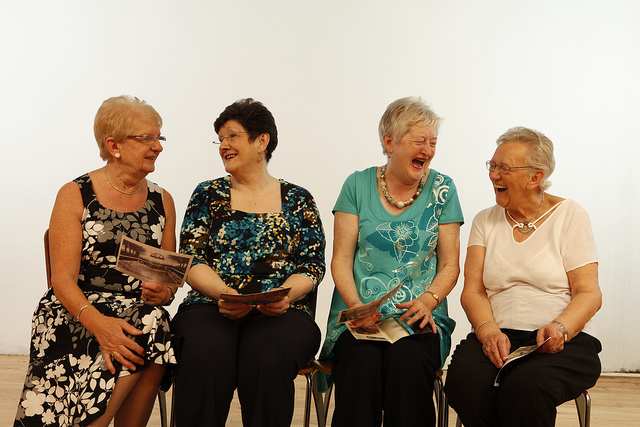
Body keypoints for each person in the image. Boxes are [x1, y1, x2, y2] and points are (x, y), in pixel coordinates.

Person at [14, 95, 178, 427]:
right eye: (147, 138)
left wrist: (166, 293)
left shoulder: (164, 201)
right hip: (76, 311)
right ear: (114, 145)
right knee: (152, 331)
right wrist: (100, 324)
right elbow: (62, 280)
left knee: (152, 319)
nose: (157, 146)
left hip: (136, 315)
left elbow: (167, 280)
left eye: (159, 137)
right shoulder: (75, 194)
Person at [171, 98, 326, 426]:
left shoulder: (298, 199)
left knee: (267, 357)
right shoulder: (207, 194)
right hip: (211, 304)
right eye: (220, 139)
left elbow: (312, 265)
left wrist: (284, 294)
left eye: (232, 136)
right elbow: (191, 258)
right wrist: (224, 292)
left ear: (261, 141)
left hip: (283, 310)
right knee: (205, 354)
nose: (223, 145)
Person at [318, 96, 463, 427]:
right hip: (359, 318)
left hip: (418, 317)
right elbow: (340, 260)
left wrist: (429, 300)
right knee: (360, 362)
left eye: (432, 142)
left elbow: (450, 265)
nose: (427, 150)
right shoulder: (357, 185)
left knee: (408, 361)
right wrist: (356, 307)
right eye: (419, 141)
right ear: (389, 142)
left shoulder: (443, 189)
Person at [445, 126, 602, 426]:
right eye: (492, 166)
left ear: (535, 177)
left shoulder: (571, 215)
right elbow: (473, 291)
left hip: (563, 339)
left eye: (504, 168)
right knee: (463, 383)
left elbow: (589, 293)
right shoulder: (485, 220)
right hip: (499, 334)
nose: (493, 175)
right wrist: (489, 331)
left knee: (525, 387)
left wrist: (561, 327)